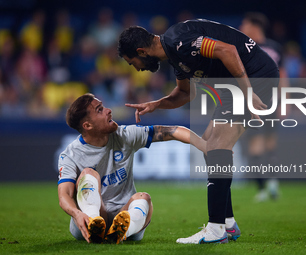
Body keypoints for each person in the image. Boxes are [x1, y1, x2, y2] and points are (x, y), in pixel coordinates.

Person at [118, 19, 279, 244]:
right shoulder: (175, 55)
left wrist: (249, 92)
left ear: (141, 51)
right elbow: (185, 94)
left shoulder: (178, 41)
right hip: (235, 89)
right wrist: (157, 104)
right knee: (208, 146)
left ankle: (216, 229)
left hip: (254, 79)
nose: (136, 67)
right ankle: (228, 223)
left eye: (131, 61)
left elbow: (227, 50)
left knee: (216, 148)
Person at [57, 93, 206, 244]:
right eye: (100, 110)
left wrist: (205, 146)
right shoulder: (71, 154)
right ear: (87, 125)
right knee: (88, 174)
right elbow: (64, 195)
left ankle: (121, 231)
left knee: (144, 198)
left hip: (123, 214)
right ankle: (94, 223)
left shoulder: (125, 135)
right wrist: (77, 214)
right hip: (84, 221)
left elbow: (172, 132)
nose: (109, 110)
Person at [239, 12, 286, 201]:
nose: (242, 28)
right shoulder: (275, 48)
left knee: (255, 147)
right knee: (270, 144)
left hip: (254, 102)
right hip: (272, 101)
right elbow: (283, 77)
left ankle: (262, 189)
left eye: (245, 24)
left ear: (253, 26)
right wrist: (285, 101)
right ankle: (273, 182)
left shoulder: (245, 48)